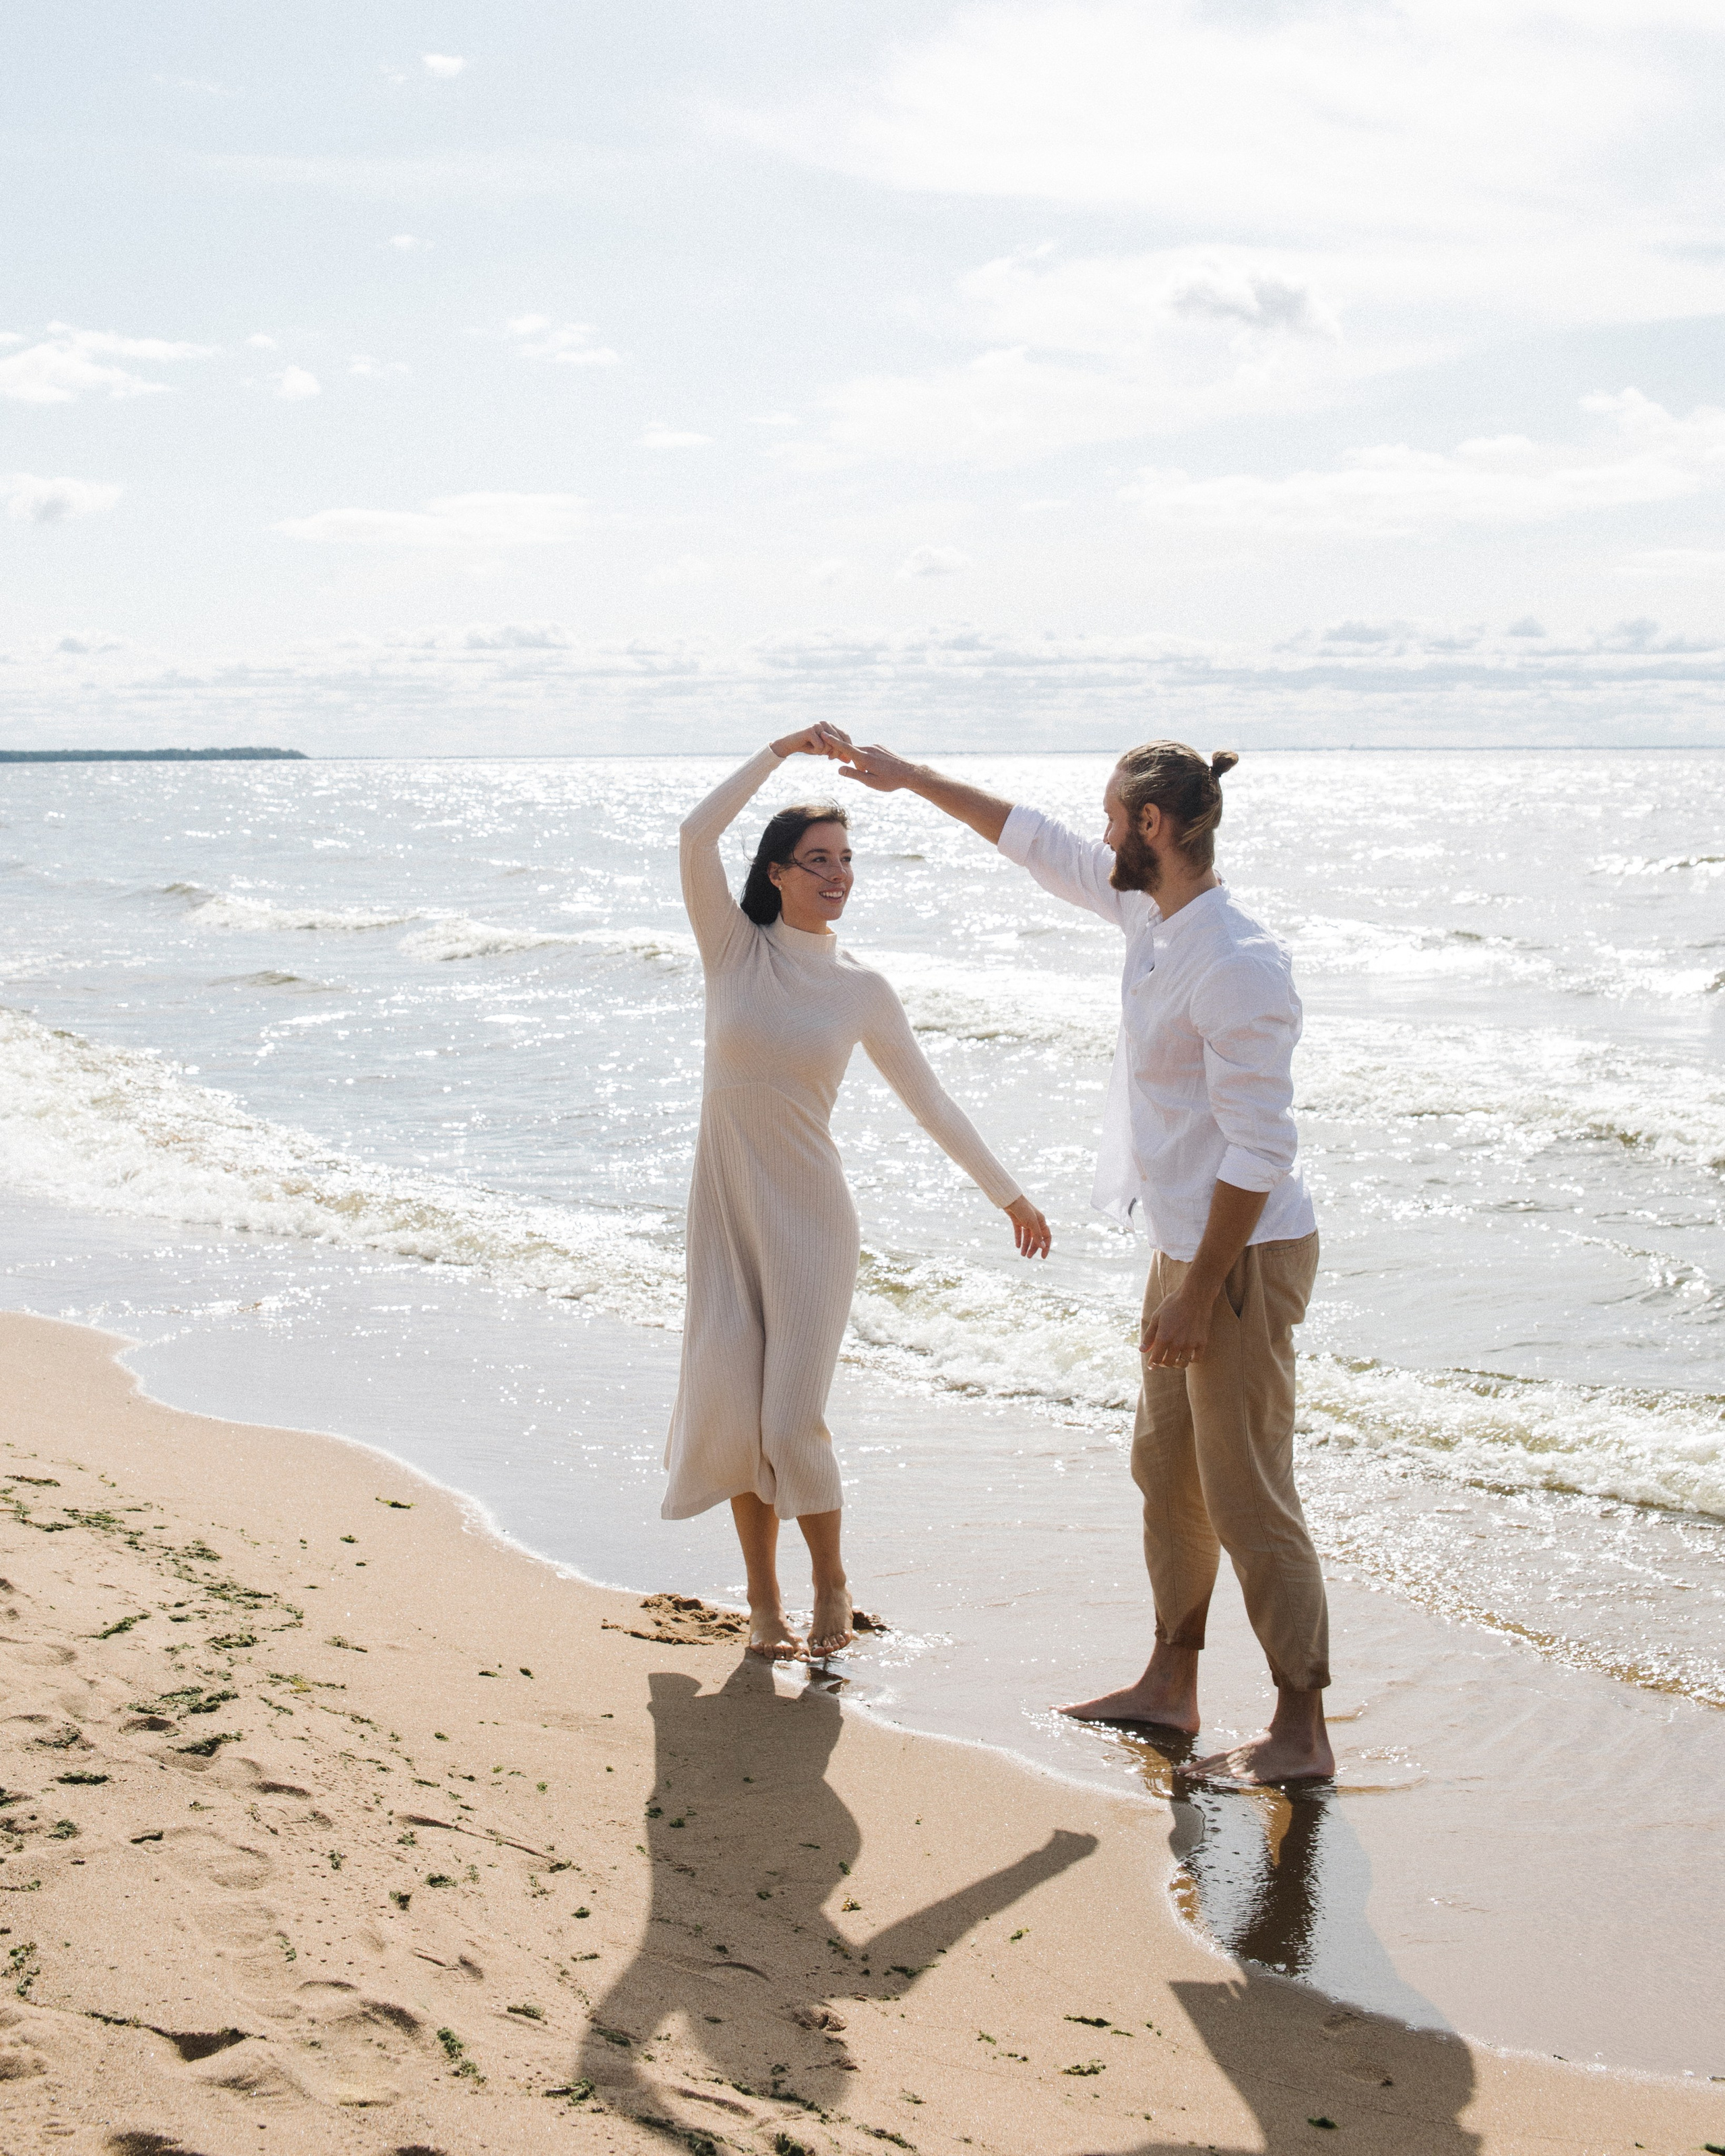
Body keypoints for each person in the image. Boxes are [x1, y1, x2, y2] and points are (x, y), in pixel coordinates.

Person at [836, 737, 1330, 1783]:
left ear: (1153, 827)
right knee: (1167, 1470)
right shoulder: (1154, 915)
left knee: (1247, 1491)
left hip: (1239, 1255)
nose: (1100, 833)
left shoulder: (1237, 960)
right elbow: (1036, 843)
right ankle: (1171, 1684)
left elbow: (1261, 1147)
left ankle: (1301, 1730)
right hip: (1186, 1245)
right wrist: (912, 778)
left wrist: (1200, 1290)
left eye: (1113, 817)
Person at [664, 723, 1052, 1662]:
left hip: (810, 1222)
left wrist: (1009, 1195)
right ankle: (762, 1604)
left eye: (847, 858)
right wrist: (774, 753)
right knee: (734, 1410)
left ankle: (831, 1579)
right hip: (725, 1210)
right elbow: (691, 837)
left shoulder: (861, 989)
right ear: (778, 873)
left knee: (791, 1419)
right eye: (819, 859)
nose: (839, 874)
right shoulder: (734, 951)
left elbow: (932, 1103)